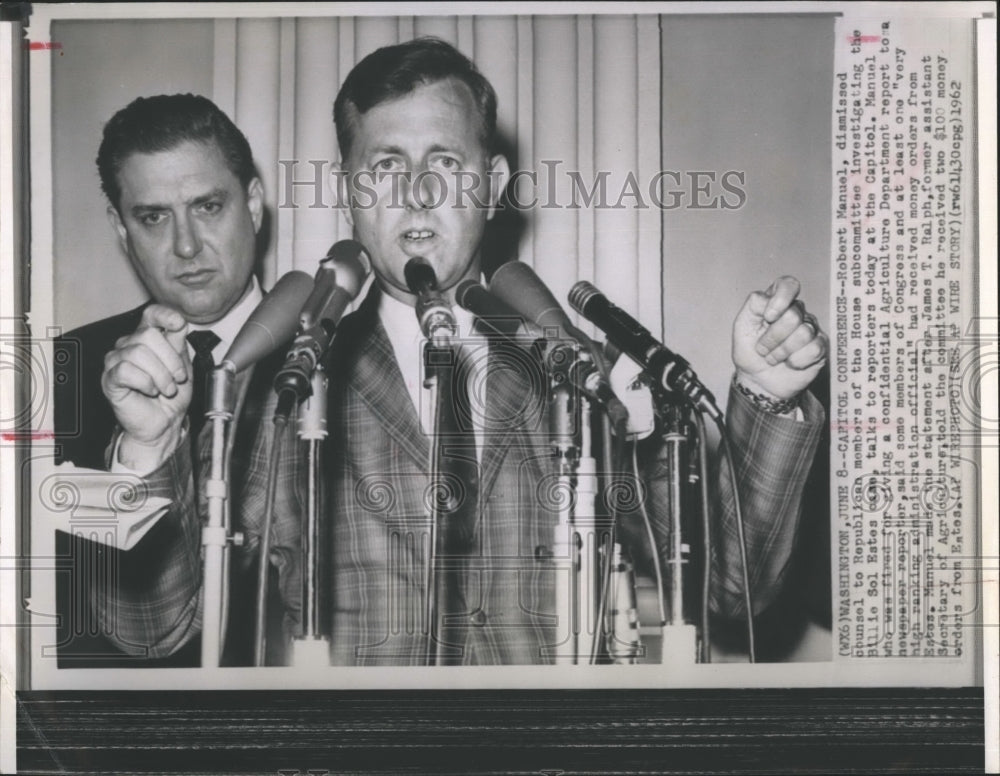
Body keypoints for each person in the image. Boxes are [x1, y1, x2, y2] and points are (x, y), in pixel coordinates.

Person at [81, 39, 827, 666]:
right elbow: (148, 631)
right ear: (350, 192)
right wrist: (143, 454)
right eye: (385, 167)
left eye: (445, 163)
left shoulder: (569, 364)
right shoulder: (286, 382)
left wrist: (767, 396)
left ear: (493, 186)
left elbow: (733, 588)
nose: (415, 194)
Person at [53, 94, 283, 665]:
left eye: (207, 207)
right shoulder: (60, 374)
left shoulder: (335, 358)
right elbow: (69, 612)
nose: (185, 246)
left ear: (253, 205)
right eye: (153, 217)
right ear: (122, 228)